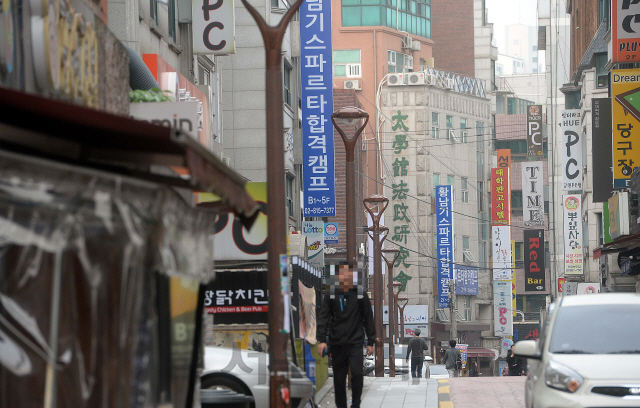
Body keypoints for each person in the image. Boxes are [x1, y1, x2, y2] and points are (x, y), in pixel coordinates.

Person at [317, 262, 376, 408]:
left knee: (356, 373)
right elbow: (323, 316)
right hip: (337, 342)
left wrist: (371, 342)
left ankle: (355, 404)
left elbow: (368, 317)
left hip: (355, 342)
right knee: (338, 379)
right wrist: (322, 339)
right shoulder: (331, 294)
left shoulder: (360, 294)